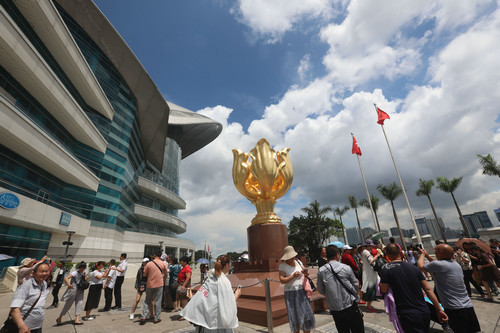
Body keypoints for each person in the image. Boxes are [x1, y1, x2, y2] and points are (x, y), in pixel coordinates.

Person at [379, 244, 447, 333]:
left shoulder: (386, 268)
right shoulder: (414, 268)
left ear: (386, 254)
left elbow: (384, 289)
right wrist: (439, 309)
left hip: (406, 313)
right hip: (424, 310)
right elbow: (428, 290)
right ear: (401, 253)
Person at [417, 244, 480, 333]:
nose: (434, 252)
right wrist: (427, 255)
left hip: (453, 307)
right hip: (467, 305)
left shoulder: (437, 265)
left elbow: (420, 267)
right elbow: (436, 263)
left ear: (441, 253)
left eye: (436, 251)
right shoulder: (455, 264)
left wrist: (422, 255)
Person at [181, 254, 242, 332]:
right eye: (230, 264)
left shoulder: (211, 278)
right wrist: (236, 294)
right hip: (217, 324)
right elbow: (227, 305)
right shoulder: (224, 281)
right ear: (227, 265)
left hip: (206, 321)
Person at [317, 245, 364, 333]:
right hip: (350, 304)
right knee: (358, 329)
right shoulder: (346, 268)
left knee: (342, 330)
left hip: (335, 308)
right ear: (337, 255)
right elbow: (356, 284)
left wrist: (330, 294)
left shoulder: (321, 271)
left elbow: (320, 289)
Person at [278, 245, 316, 333]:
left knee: (306, 315)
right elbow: (282, 280)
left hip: (302, 291)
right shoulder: (282, 266)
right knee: (294, 316)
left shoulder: (298, 262)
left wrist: (306, 273)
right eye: (290, 257)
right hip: (291, 293)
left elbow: (306, 273)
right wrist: (293, 276)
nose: (292, 258)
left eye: (292, 256)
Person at [9, 261, 50, 333]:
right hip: (25, 328)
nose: (44, 274)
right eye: (41, 271)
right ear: (33, 273)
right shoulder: (25, 287)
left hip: (37, 326)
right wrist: (21, 326)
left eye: (46, 271)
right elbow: (15, 309)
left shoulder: (44, 284)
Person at [56, 261, 89, 325]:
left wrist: (85, 278)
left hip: (81, 290)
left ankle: (77, 319)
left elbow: (82, 280)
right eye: (81, 267)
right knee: (68, 304)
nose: (82, 269)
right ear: (79, 267)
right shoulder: (75, 272)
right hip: (73, 290)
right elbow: (66, 278)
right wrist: (68, 284)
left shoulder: (83, 273)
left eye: (83, 268)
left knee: (79, 304)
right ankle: (60, 317)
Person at [140, 250, 167, 324]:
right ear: (161, 255)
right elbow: (165, 273)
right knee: (157, 301)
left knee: (147, 300)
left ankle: (143, 316)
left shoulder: (149, 264)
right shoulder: (163, 263)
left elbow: (144, 274)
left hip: (150, 284)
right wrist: (163, 280)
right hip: (159, 284)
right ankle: (156, 318)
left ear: (154, 255)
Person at [360, 239, 379, 312]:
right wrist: (377, 255)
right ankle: (368, 306)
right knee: (371, 290)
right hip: (369, 274)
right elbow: (371, 261)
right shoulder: (366, 252)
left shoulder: (366, 252)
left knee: (368, 289)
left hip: (369, 273)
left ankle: (367, 304)